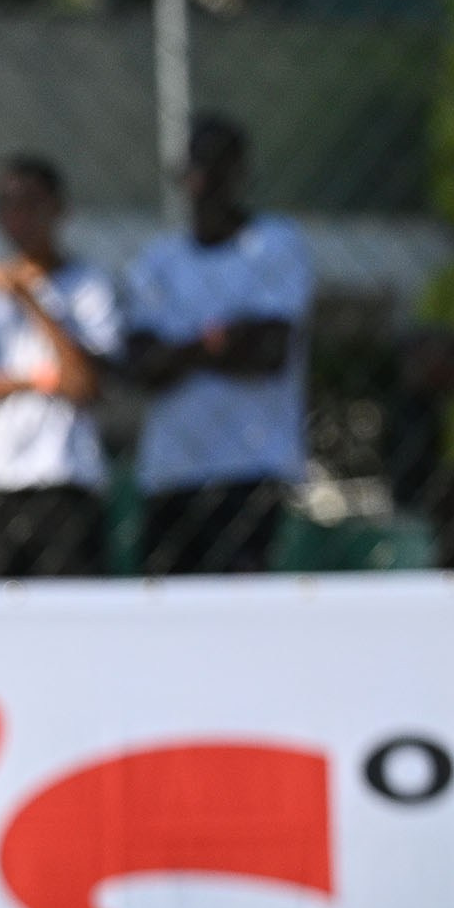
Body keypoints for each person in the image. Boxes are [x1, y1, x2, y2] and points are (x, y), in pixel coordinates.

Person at [123, 115, 314, 575]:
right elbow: (141, 369)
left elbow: (269, 353)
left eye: (215, 165)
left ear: (239, 171)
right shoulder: (156, 261)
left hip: (252, 470)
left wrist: (179, 352)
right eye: (194, 166)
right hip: (171, 474)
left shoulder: (275, 244)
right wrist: (218, 342)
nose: (203, 180)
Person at [0, 155, 121, 578]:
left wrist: (29, 295)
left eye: (31, 204)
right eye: (8, 205)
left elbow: (82, 383)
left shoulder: (89, 285)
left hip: (64, 486)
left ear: (59, 209)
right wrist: (34, 380)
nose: (19, 217)